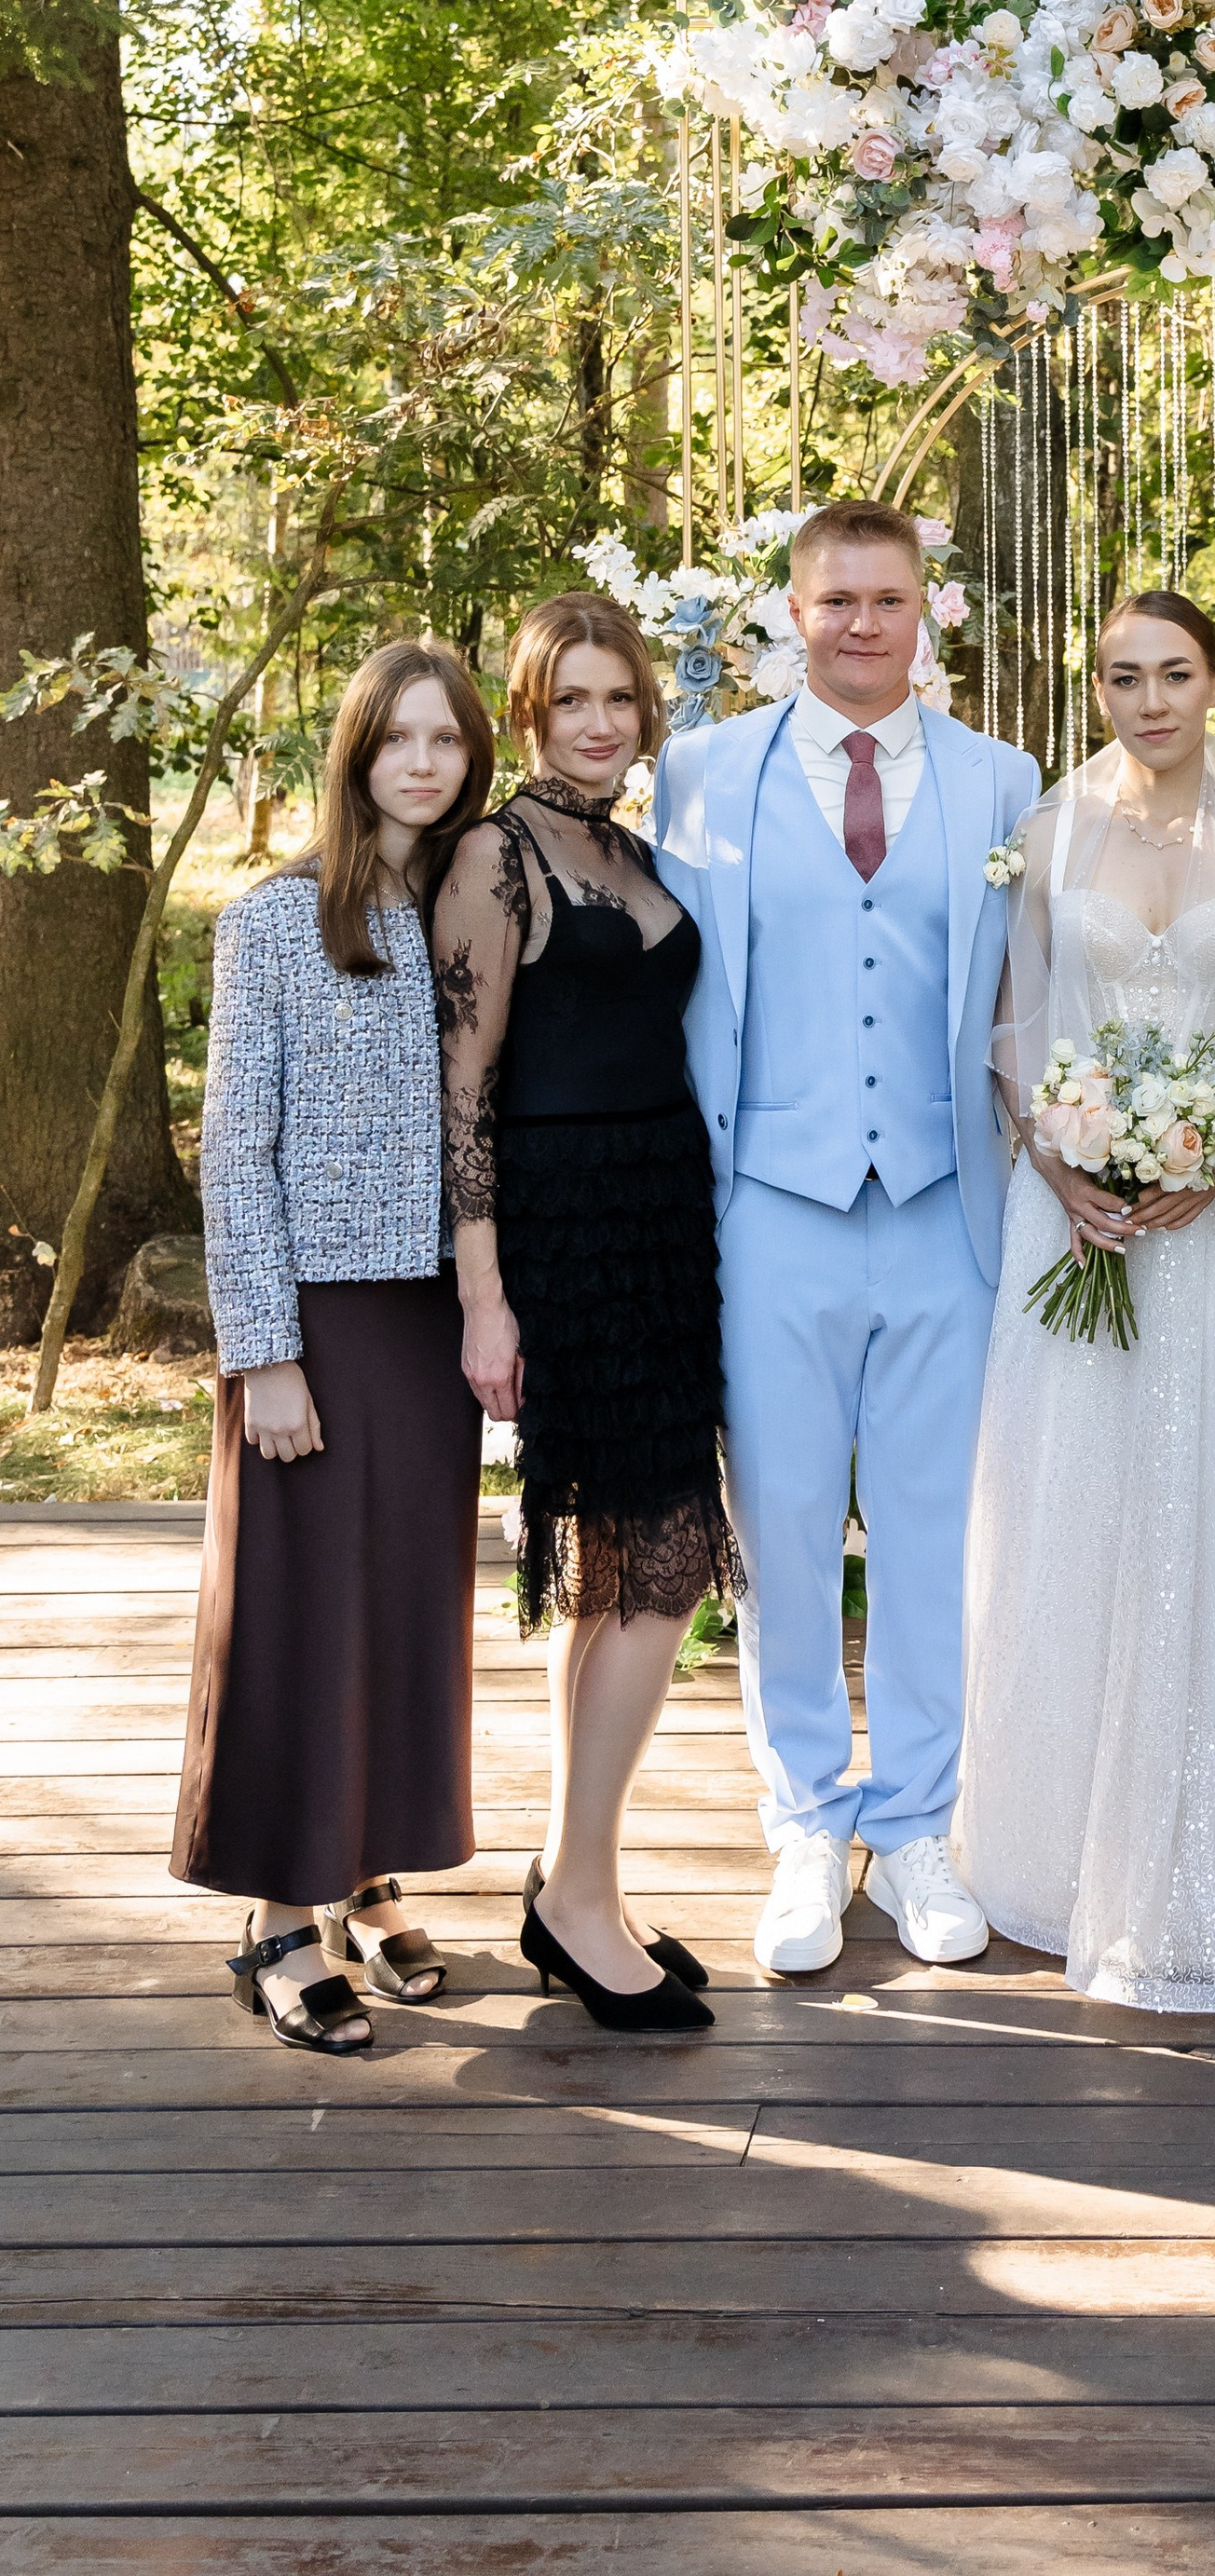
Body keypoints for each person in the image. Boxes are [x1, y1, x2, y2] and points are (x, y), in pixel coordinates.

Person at [652, 501, 1039, 1980]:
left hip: (949, 1208)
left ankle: (925, 1825)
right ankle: (808, 1819)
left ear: (926, 608)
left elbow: (1035, 994)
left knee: (942, 1537)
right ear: (792, 613)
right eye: (835, 600)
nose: (862, 624)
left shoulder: (1004, 784)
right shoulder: (700, 773)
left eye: (887, 599)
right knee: (787, 1536)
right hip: (771, 1213)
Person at [957, 591, 1215, 2010]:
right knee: (1079, 1507)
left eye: (1175, 674)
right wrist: (1064, 1168)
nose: (1150, 701)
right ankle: (1055, 1849)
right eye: (1123, 677)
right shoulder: (1054, 832)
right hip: (1077, 1220)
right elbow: (1015, 1022)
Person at [175, 640, 496, 2052]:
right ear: (356, 751)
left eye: (447, 741)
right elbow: (233, 1154)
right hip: (316, 1321)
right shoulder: (274, 921)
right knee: (298, 1613)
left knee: (397, 1606)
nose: (424, 764)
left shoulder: (471, 912)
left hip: (434, 1314)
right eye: (399, 740)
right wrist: (266, 1351)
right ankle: (274, 1920)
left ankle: (361, 1868)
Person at [435, 593, 737, 2035]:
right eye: (573, 704)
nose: (602, 724)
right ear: (532, 711)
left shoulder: (624, 846)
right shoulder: (496, 857)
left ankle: (585, 1883)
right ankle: (573, 1897)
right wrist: (486, 1297)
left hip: (664, 1222)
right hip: (569, 1235)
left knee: (635, 1565)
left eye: (622, 700)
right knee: (662, 1556)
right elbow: (462, 1097)